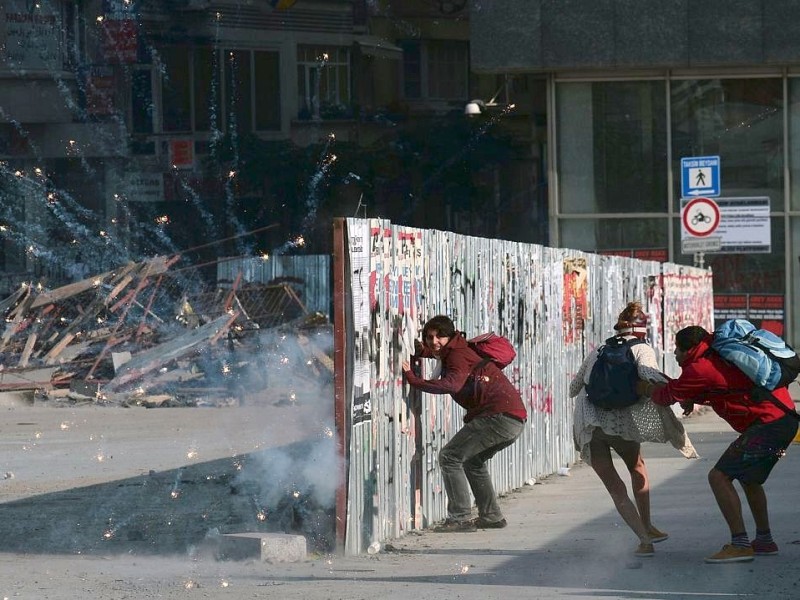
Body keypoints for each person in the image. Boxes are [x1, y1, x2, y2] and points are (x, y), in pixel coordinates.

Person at [648, 325, 798, 564]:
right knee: (750, 479)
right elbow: (723, 388)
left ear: (688, 350)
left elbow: (666, 395)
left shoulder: (699, 368)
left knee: (718, 477)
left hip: (769, 427)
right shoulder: (717, 354)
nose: (675, 355)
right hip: (783, 421)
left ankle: (740, 545)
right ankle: (765, 541)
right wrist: (691, 396)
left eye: (677, 349)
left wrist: (646, 387)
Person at [570, 301, 698, 557]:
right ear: (642, 329)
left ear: (618, 328)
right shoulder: (641, 348)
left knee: (614, 486)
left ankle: (644, 539)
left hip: (590, 422)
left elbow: (573, 388)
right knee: (636, 467)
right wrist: (682, 394)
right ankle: (647, 527)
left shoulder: (600, 350)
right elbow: (650, 374)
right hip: (621, 422)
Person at [402, 315, 527, 532]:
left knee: (450, 457)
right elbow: (440, 357)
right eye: (430, 337)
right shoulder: (457, 350)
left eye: (440, 336)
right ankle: (491, 516)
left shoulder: (457, 355)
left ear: (451, 337)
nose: (434, 342)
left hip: (498, 417)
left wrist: (414, 380)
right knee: (472, 462)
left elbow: (452, 383)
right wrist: (421, 351)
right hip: (512, 417)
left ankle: (459, 517)